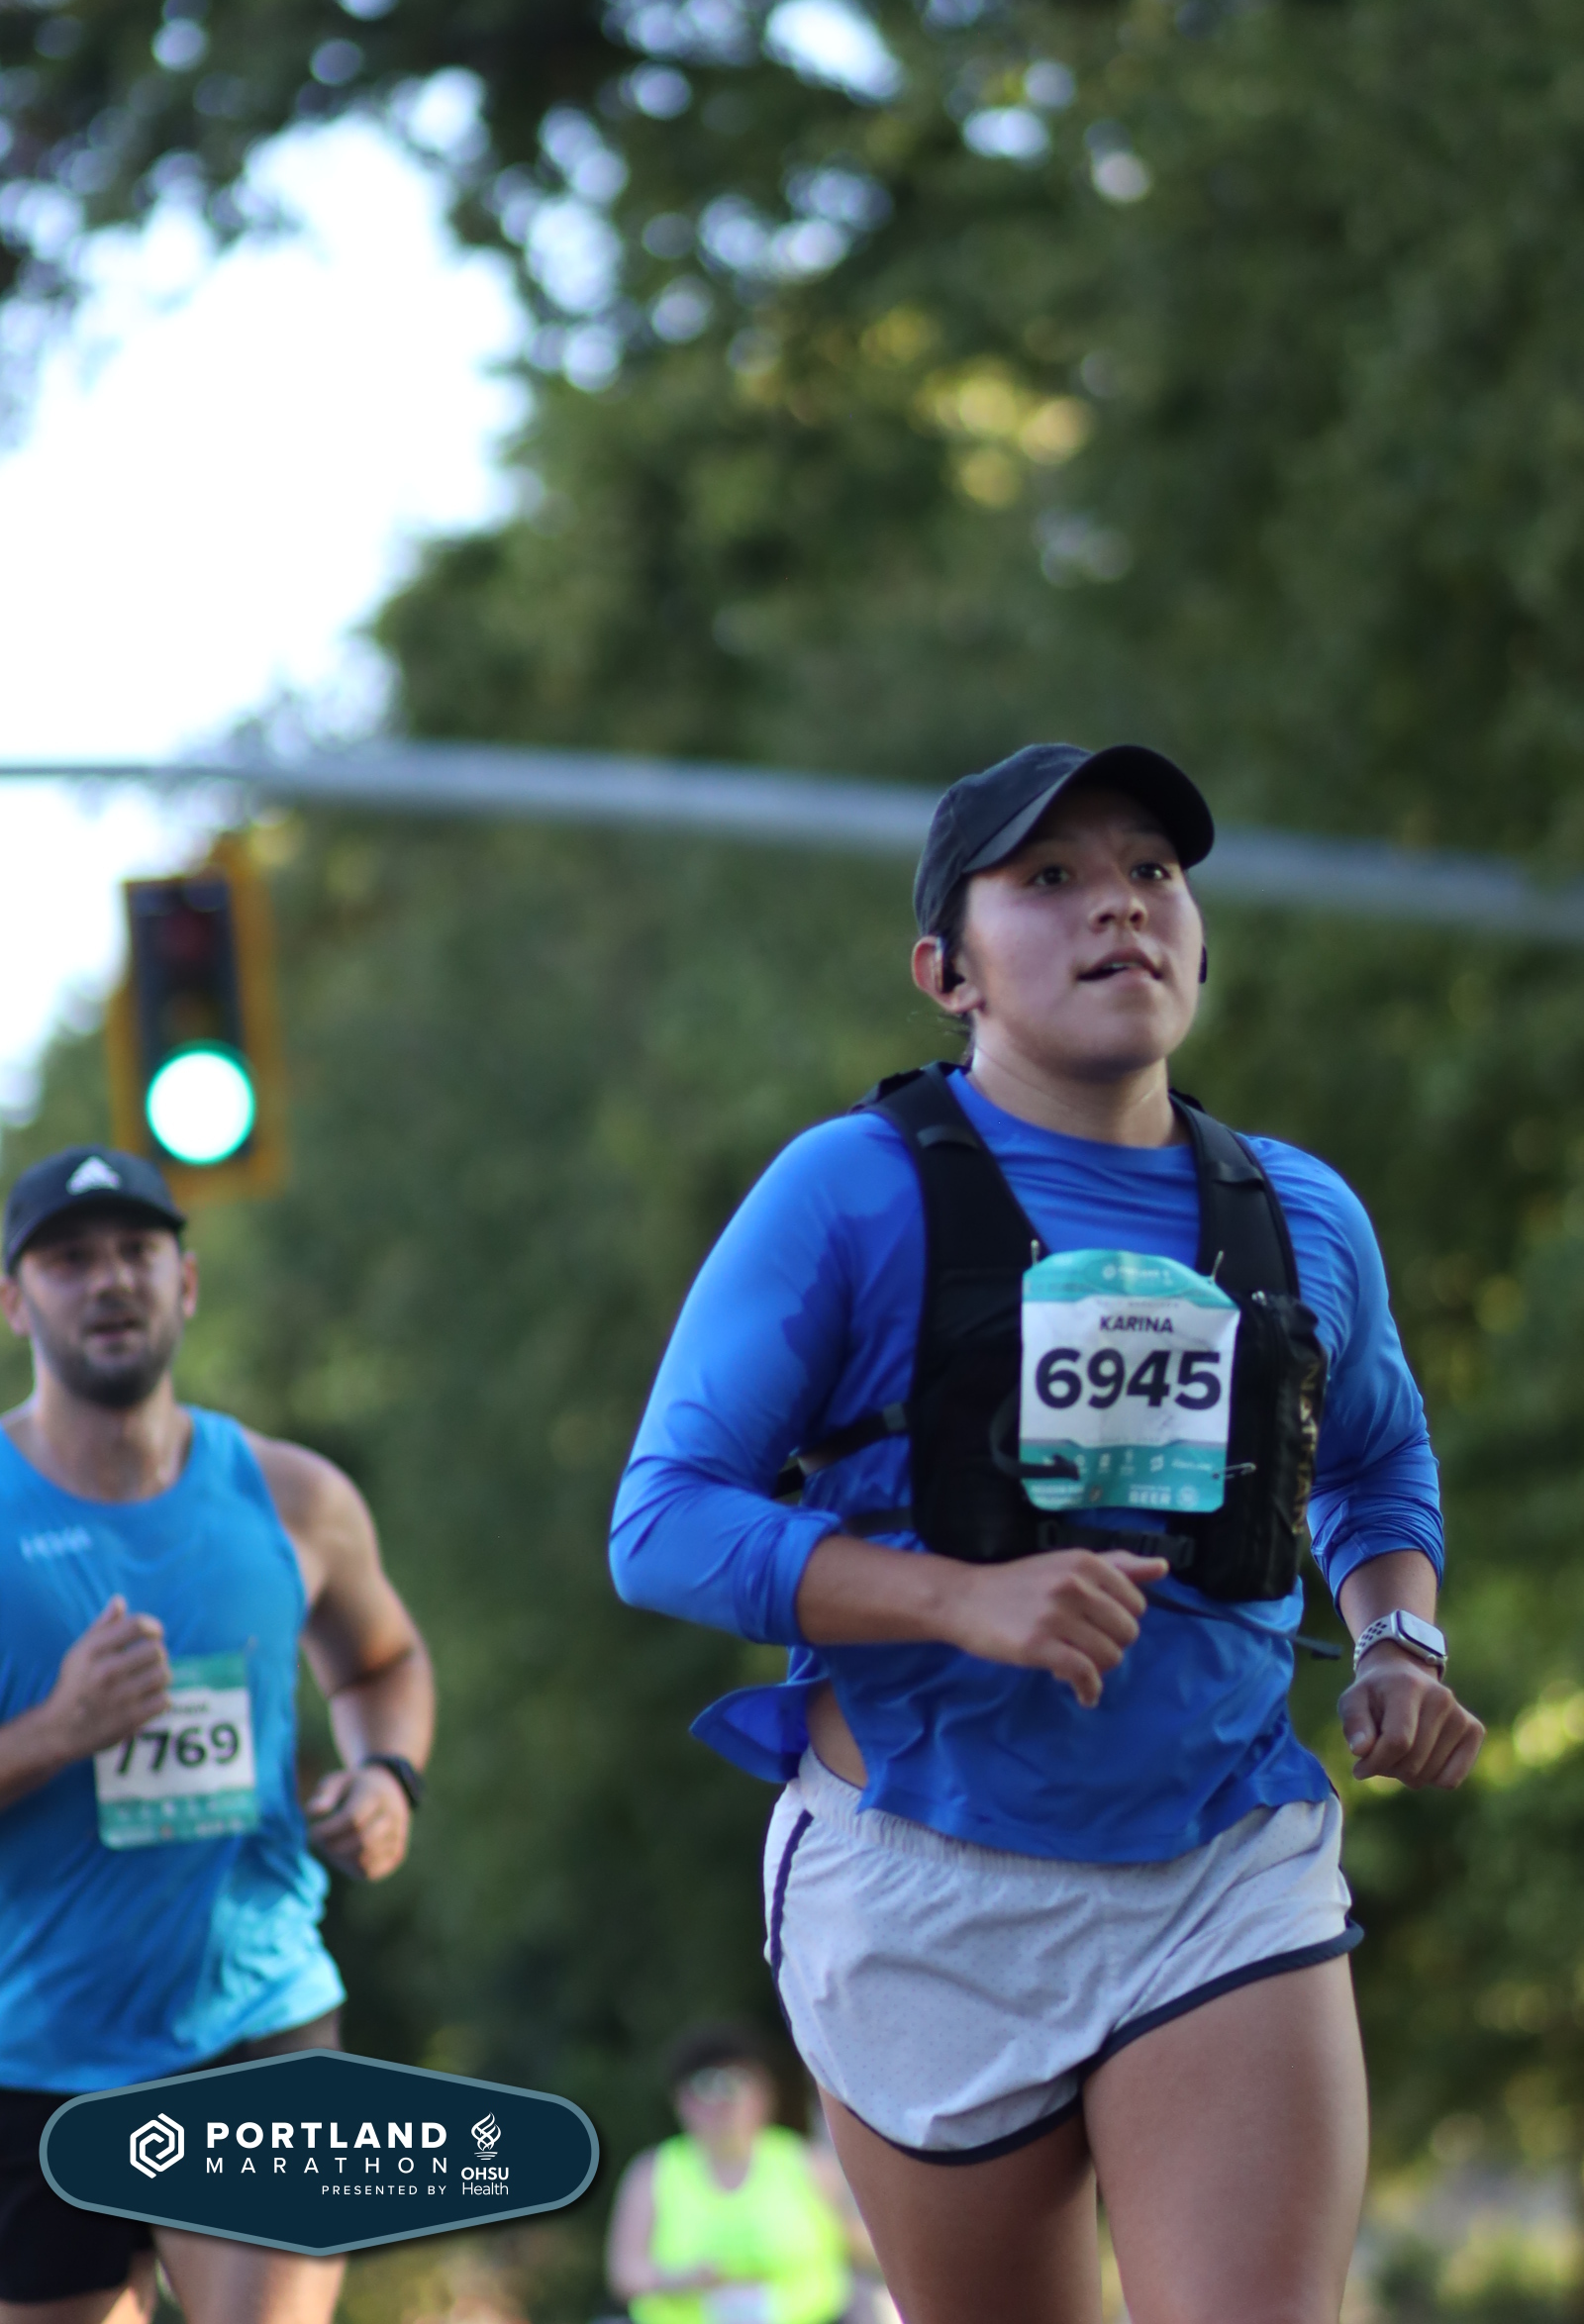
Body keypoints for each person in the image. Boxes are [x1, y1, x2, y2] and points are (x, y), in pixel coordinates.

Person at [610, 743, 1485, 2324]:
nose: (1120, 908)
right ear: (946, 971)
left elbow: (1374, 1458)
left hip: (1224, 1863)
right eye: (1052, 879)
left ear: (1199, 941)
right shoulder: (850, 1192)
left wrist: (1399, 1641)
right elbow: (661, 1525)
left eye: (1153, 872)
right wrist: (958, 1599)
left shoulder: (1301, 1214)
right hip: (925, 1882)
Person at [0, 1146, 435, 2324]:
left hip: (255, 2015)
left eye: (136, 1252)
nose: (109, 1280)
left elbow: (384, 1663)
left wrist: (386, 1775)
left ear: (185, 1282)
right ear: (14, 1301)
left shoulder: (295, 1497)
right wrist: (56, 1731)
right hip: (32, 2050)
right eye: (68, 1259)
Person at [606, 2023, 857, 2324]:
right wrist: (676, 2280)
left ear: (764, 2094)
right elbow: (624, 2273)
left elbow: (862, 2245)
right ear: (680, 2101)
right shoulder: (652, 2172)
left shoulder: (808, 2163)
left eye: (737, 2085)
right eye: (706, 2088)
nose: (722, 2104)